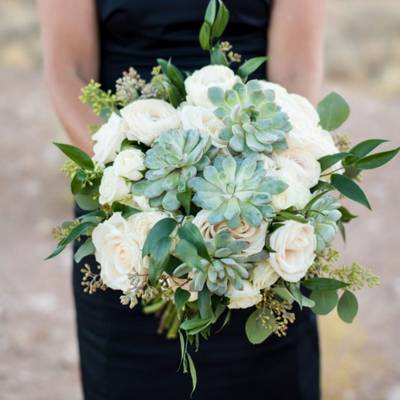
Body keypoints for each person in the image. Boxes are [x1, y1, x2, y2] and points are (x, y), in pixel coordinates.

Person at [39, 1, 325, 399]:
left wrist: (277, 172)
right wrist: (137, 185)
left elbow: (296, 69)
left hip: (255, 210)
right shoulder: (130, 195)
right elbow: (69, 71)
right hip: (126, 213)